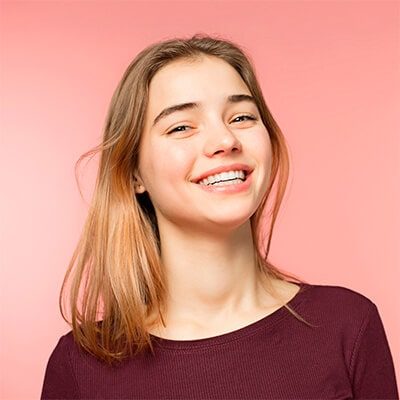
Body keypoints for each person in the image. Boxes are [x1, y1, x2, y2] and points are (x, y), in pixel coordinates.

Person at [41, 34, 398, 399]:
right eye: (182, 126)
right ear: (134, 174)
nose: (225, 140)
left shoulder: (347, 324)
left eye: (241, 117)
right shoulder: (80, 368)